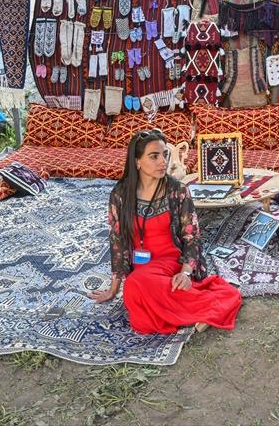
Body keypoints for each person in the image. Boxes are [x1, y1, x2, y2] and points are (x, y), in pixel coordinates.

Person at [87, 129, 242, 334]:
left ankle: (211, 306)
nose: (163, 161)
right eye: (154, 156)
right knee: (135, 297)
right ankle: (203, 311)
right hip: (142, 266)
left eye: (165, 155)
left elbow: (192, 236)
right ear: (137, 162)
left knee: (136, 287)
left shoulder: (177, 190)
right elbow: (118, 242)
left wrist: (186, 272)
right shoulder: (120, 194)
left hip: (173, 262)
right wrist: (113, 289)